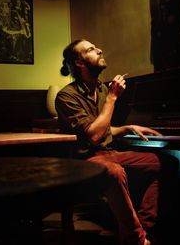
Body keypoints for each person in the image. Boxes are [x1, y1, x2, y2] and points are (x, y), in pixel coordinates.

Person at [55, 39, 163, 245]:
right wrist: (112, 98)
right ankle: (136, 239)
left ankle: (142, 228)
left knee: (156, 162)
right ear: (79, 62)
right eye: (91, 50)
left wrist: (128, 128)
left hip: (108, 153)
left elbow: (104, 129)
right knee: (113, 171)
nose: (99, 50)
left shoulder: (102, 89)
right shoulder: (66, 96)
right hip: (83, 160)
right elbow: (93, 136)